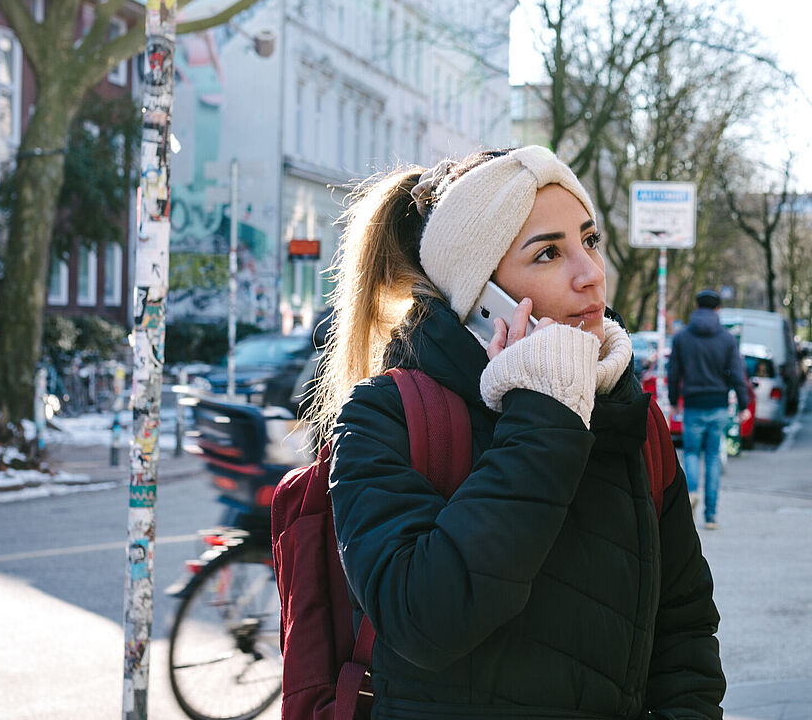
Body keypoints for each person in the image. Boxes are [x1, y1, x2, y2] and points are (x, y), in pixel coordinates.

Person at [308, 146, 725, 718]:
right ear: (481, 296)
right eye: (550, 253)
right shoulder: (389, 417)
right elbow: (424, 620)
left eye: (590, 240)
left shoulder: (631, 417)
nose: (591, 274)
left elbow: (685, 638)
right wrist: (544, 414)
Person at [668, 289, 750, 530]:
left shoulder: (682, 337)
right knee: (713, 456)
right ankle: (711, 515)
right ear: (717, 309)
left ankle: (692, 492)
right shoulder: (726, 338)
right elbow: (737, 373)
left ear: (696, 307)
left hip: (693, 404)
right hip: (718, 405)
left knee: (692, 453)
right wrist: (744, 405)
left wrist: (673, 401)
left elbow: (674, 372)